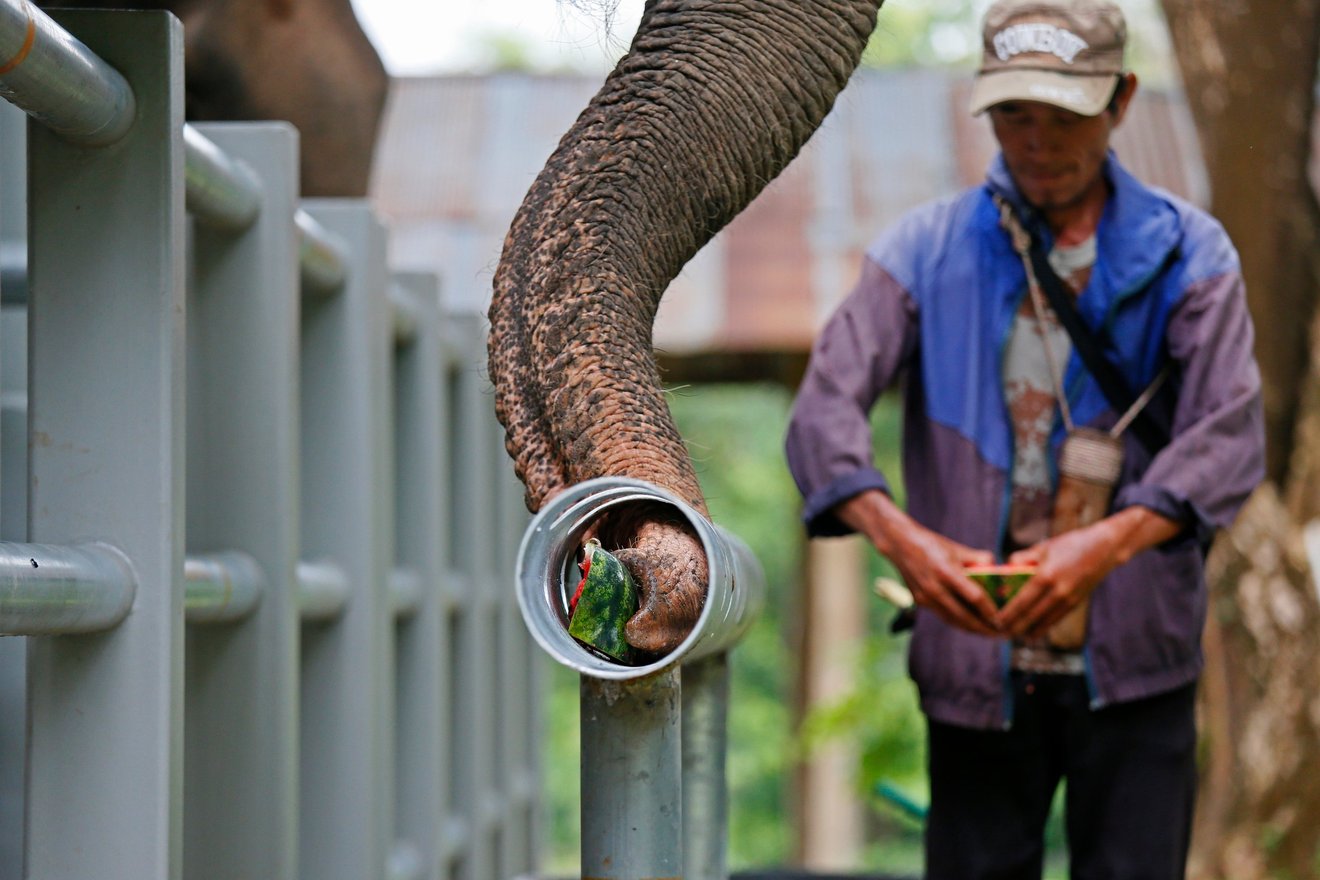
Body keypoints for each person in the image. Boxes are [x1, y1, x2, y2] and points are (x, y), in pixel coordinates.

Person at [784, 0, 1264, 877]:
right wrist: (908, 545)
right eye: (1014, 114)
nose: (1038, 141)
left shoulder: (1193, 256)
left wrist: (1101, 548)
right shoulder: (921, 250)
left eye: (1065, 115)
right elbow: (822, 414)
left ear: (1119, 101)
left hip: (1139, 668)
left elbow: (1228, 435)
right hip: (978, 672)